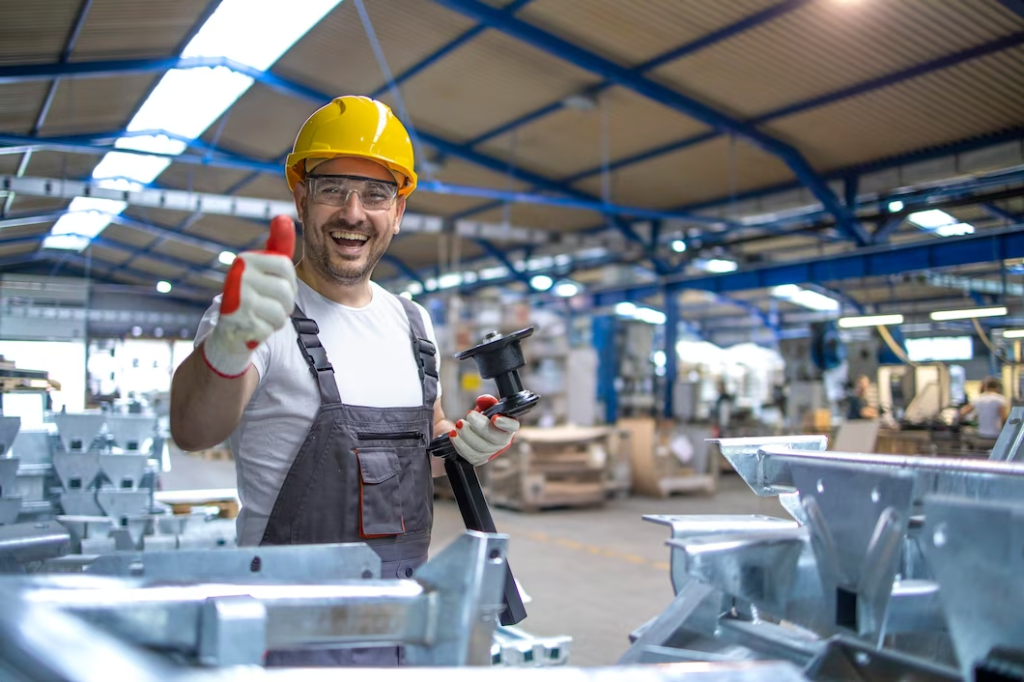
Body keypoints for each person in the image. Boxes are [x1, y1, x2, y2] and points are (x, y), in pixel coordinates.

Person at [169, 96, 520, 667]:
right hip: (287, 626)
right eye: (333, 188)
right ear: (301, 197)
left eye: (376, 195)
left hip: (401, 617)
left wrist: (468, 442)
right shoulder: (258, 313)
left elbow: (423, 447)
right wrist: (231, 344)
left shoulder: (412, 320)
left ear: (398, 211)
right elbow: (191, 429)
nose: (353, 212)